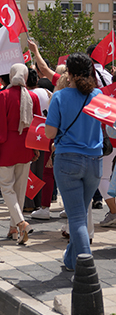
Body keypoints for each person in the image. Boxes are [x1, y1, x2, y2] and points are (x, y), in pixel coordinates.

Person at [45, 53, 103, 271]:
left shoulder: (59, 97)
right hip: (94, 162)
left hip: (68, 160)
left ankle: (87, 267)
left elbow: (50, 132)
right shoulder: (98, 95)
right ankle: (71, 261)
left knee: (77, 217)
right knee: (80, 213)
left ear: (68, 72)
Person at [0, 63, 41, 244]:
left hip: (6, 147)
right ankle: (14, 229)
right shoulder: (32, 97)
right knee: (19, 190)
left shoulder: (3, 96)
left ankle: (20, 223)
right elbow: (37, 125)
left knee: (7, 188)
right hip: (25, 147)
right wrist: (35, 148)